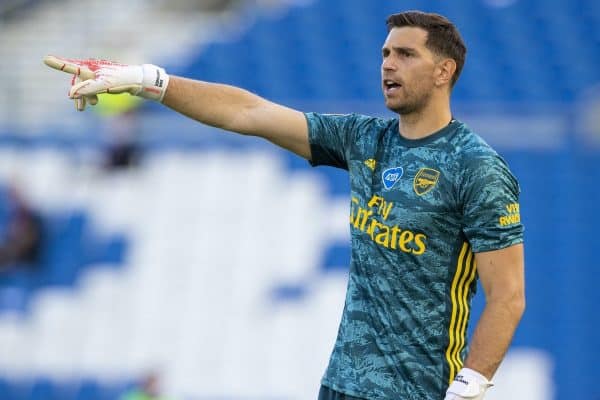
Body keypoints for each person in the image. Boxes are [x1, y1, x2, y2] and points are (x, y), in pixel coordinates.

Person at [43, 10, 525, 400]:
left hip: (417, 390)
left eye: (405, 54)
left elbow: (507, 296)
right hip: (341, 385)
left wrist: (470, 386)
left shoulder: (475, 166)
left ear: (445, 71)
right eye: (384, 53)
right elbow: (248, 112)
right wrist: (147, 80)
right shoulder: (363, 139)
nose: (387, 64)